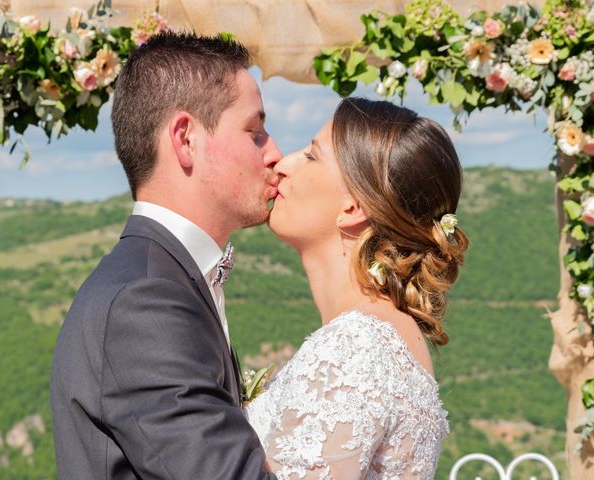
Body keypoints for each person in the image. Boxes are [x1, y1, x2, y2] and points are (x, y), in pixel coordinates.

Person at [50, 31, 281, 479]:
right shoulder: (145, 300)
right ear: (185, 139)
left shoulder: (162, 276)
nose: (274, 153)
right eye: (254, 132)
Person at [246, 98, 468, 479]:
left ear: (353, 207)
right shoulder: (382, 335)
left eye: (311, 156)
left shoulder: (353, 350)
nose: (283, 164)